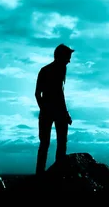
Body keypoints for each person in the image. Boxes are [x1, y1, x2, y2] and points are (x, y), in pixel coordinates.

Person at [35, 43, 74, 175]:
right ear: (60, 56)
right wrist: (65, 113)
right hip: (56, 111)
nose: (69, 60)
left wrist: (43, 108)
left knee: (48, 144)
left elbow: (37, 94)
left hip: (49, 111)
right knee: (57, 143)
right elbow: (59, 93)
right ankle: (55, 174)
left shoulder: (47, 69)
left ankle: (44, 174)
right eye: (68, 57)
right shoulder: (54, 70)